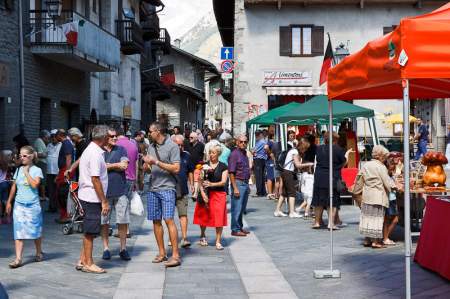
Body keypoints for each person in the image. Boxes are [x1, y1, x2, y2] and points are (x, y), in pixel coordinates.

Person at [144, 122, 181, 267]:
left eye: (150, 131)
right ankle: (161, 253)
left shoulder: (172, 146)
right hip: (153, 188)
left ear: (157, 131)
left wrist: (156, 162)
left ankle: (176, 255)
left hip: (167, 188)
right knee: (156, 221)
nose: (149, 134)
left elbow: (176, 168)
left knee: (169, 220)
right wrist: (146, 166)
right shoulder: (151, 147)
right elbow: (148, 168)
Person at [76, 125, 110, 274]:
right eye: (108, 136)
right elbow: (95, 179)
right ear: (102, 138)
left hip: (87, 195)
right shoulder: (95, 154)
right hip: (92, 197)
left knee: (89, 230)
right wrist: (104, 200)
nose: (109, 139)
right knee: (90, 232)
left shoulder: (90, 150)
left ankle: (82, 259)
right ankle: (88, 263)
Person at [6, 146, 44, 268]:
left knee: (35, 230)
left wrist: (26, 172)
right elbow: (14, 186)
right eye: (20, 156)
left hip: (33, 205)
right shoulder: (18, 170)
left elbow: (35, 185)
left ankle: (38, 252)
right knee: (18, 231)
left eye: (24, 156)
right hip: (19, 205)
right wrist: (9, 202)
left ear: (31, 156)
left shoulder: (37, 170)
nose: (21, 158)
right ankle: (18, 259)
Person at [100, 128, 131, 261]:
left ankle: (123, 248)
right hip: (104, 193)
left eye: (116, 136)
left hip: (120, 191)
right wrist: (115, 165)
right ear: (105, 137)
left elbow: (124, 166)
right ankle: (106, 248)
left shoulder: (121, 150)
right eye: (112, 136)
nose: (115, 138)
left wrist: (109, 165)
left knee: (122, 221)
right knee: (104, 222)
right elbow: (99, 167)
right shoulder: (99, 151)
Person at [358, 145, 397, 248]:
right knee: (377, 218)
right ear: (380, 156)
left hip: (367, 195)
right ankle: (375, 242)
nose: (385, 158)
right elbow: (387, 182)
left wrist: (357, 193)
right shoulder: (381, 166)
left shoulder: (366, 165)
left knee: (367, 217)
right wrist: (396, 187)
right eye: (384, 156)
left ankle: (367, 240)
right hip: (378, 196)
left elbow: (359, 179)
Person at [311, 132, 352, 230]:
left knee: (318, 200)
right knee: (332, 200)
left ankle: (317, 222)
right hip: (332, 177)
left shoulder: (319, 148)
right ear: (335, 140)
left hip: (319, 176)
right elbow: (343, 164)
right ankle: (331, 223)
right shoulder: (338, 150)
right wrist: (347, 155)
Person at [193, 145, 229, 250]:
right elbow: (199, 181)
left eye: (213, 153)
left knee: (218, 217)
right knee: (204, 215)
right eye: (210, 152)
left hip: (218, 194)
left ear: (218, 154)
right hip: (205, 193)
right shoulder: (204, 165)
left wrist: (211, 184)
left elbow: (223, 182)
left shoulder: (223, 166)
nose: (211, 155)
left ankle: (218, 241)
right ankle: (202, 235)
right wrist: (203, 194)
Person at [274, 141, 312, 218]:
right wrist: (309, 164)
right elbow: (298, 165)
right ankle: (292, 212)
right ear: (303, 148)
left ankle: (277, 210)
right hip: (288, 173)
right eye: (306, 149)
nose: (306, 150)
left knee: (284, 193)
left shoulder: (293, 150)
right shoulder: (295, 152)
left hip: (285, 172)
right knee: (292, 192)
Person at [116, 127, 140, 239]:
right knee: (126, 204)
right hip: (131, 178)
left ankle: (123, 230)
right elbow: (136, 164)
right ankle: (127, 229)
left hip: (119, 178)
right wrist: (136, 180)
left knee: (120, 205)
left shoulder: (116, 145)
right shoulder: (133, 145)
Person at [171, 135, 194, 248]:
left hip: (183, 188)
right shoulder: (168, 155)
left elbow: (190, 170)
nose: (180, 147)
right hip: (169, 188)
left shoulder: (186, 156)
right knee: (169, 216)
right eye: (177, 145)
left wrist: (192, 184)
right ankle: (172, 238)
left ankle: (184, 238)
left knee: (183, 214)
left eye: (181, 145)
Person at [228, 134, 251, 237]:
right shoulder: (234, 154)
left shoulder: (244, 153)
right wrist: (235, 187)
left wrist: (248, 185)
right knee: (236, 208)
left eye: (245, 142)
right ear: (237, 142)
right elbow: (231, 172)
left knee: (242, 208)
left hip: (245, 182)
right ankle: (235, 229)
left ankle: (240, 227)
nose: (243, 144)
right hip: (238, 182)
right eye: (241, 142)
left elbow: (246, 169)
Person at [55, 129, 75, 223]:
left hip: (65, 169)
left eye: (56, 136)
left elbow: (68, 158)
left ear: (59, 135)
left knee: (62, 194)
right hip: (63, 170)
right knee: (60, 193)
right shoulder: (66, 143)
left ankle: (66, 215)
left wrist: (67, 172)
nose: (55, 138)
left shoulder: (66, 143)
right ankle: (63, 215)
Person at [383, 156, 400, 246]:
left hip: (392, 199)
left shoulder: (390, 175)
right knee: (388, 219)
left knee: (393, 219)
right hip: (389, 199)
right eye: (391, 169)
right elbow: (391, 186)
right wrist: (396, 187)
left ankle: (385, 237)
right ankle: (385, 238)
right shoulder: (385, 176)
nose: (392, 171)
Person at [46, 130, 61, 213]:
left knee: (58, 190)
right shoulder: (49, 145)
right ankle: (52, 207)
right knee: (50, 190)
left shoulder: (61, 145)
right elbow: (45, 153)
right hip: (49, 171)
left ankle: (58, 206)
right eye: (52, 137)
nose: (53, 138)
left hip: (57, 171)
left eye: (54, 136)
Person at [33, 130, 50, 202]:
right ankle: (42, 196)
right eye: (47, 138)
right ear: (44, 136)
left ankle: (41, 195)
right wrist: (46, 154)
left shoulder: (40, 141)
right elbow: (39, 154)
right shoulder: (39, 141)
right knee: (42, 180)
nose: (48, 139)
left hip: (42, 162)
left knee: (42, 180)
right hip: (41, 162)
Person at [252, 130, 268, 197]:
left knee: (258, 176)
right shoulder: (263, 141)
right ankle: (263, 191)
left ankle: (259, 192)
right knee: (262, 176)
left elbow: (253, 150)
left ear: (260, 135)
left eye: (257, 135)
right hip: (262, 159)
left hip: (258, 159)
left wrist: (252, 151)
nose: (256, 137)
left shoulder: (261, 142)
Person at [0, 152, 11, 223]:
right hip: (5, 183)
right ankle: (8, 218)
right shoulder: (5, 163)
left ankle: (0, 219)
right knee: (6, 201)